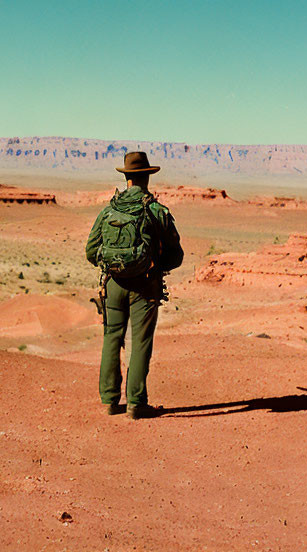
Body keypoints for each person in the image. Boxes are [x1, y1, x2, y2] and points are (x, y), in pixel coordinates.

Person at [85, 151, 183, 419]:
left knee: (111, 338)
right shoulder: (155, 211)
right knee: (140, 343)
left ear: (126, 177)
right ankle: (136, 404)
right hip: (145, 288)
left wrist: (114, 263)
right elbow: (177, 257)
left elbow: (91, 251)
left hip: (113, 285)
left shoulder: (109, 210)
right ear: (147, 177)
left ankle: (109, 400)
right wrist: (152, 265)